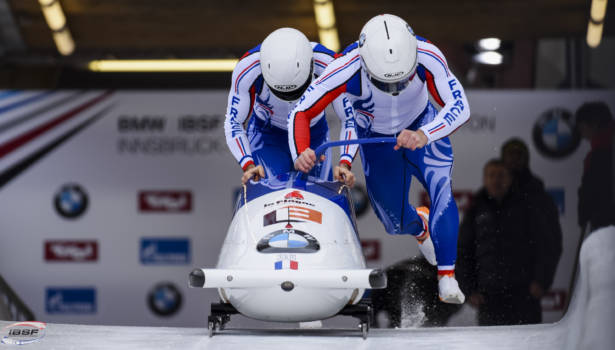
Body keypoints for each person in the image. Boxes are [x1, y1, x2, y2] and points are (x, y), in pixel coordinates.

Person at [287, 14, 470, 303]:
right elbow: (301, 111)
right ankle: (420, 226)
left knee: (442, 190)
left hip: (422, 128)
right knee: (394, 222)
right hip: (379, 142)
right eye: (386, 84)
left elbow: (460, 107)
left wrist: (425, 133)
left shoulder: (429, 56)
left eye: (402, 80)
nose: (395, 89)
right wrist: (301, 149)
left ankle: (447, 275)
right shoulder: (345, 67)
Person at [223, 28, 356, 185]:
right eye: (282, 94)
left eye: (297, 92)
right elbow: (234, 122)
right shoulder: (247, 69)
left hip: (313, 136)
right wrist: (248, 165)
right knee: (276, 192)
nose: (290, 100)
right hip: (268, 137)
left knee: (317, 196)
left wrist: (345, 164)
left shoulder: (330, 64)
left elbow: (350, 117)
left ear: (311, 66)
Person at [456, 159, 551, 325]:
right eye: (491, 175)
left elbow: (544, 246)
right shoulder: (475, 209)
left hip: (524, 294)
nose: (496, 180)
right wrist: (469, 289)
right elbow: (463, 251)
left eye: (501, 175)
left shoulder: (526, 206)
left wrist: (541, 280)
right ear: (485, 179)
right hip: (489, 297)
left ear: (510, 179)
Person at [500, 138, 562, 294]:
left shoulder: (539, 197)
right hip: (492, 290)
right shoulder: (488, 197)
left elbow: (551, 242)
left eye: (518, 155)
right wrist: (471, 286)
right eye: (510, 155)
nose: (514, 159)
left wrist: (542, 280)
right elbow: (473, 243)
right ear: (503, 158)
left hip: (527, 288)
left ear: (525, 159)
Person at [575, 102, 615, 232]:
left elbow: (591, 192)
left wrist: (584, 216)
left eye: (582, 128)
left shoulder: (599, 155)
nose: (582, 135)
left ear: (594, 125)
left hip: (604, 223)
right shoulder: (599, 152)